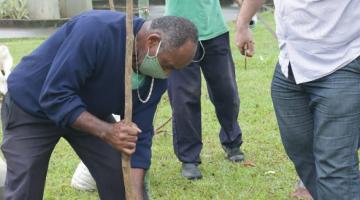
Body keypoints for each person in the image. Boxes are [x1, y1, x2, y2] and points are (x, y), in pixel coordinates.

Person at [1, 10, 198, 200]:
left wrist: (134, 195)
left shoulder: (157, 73)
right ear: (152, 41)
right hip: (33, 107)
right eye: (168, 65)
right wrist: (106, 131)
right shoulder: (96, 31)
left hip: (88, 112)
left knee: (121, 179)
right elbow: (55, 96)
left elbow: (139, 137)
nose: (168, 74)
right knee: (24, 189)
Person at [237, 0, 360, 199]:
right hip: (290, 64)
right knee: (303, 153)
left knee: (335, 167)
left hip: (342, 61)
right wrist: (243, 23)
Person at [165, 0, 245, 180]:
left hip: (214, 29)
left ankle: (232, 142)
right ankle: (189, 158)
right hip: (177, 34)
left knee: (227, 92)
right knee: (184, 99)